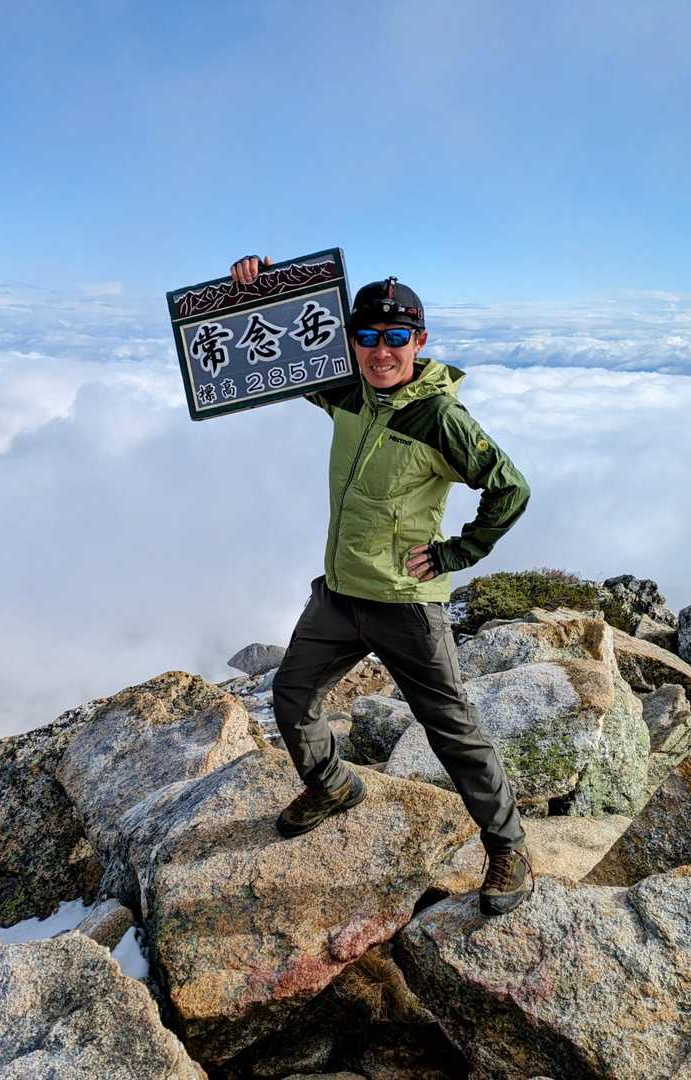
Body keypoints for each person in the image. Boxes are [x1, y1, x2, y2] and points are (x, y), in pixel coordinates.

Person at [228, 255, 534, 916]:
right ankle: (332, 785)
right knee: (292, 695)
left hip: (405, 604)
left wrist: (458, 552)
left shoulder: (440, 418)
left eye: (396, 337)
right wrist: (260, 286)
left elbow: (510, 489)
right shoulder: (347, 392)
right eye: (367, 336)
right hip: (340, 594)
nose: (381, 351)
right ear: (352, 341)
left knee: (451, 729)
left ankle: (508, 847)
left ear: (419, 342)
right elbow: (280, 352)